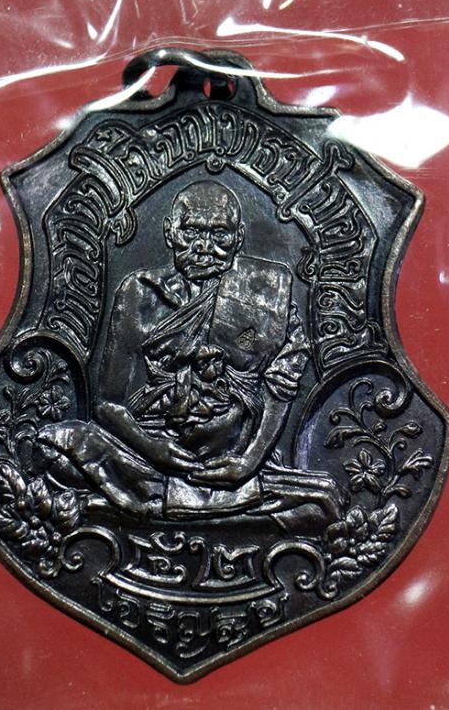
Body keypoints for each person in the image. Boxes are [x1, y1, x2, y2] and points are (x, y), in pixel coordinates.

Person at [36, 180, 344, 530]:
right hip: (152, 446)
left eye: (219, 234)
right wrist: (152, 448)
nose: (204, 247)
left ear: (239, 238)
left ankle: (144, 505)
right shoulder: (140, 293)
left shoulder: (269, 293)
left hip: (231, 452)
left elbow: (282, 386)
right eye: (192, 232)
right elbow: (107, 403)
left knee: (324, 500)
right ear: (170, 232)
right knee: (53, 448)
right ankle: (217, 509)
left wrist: (248, 462)